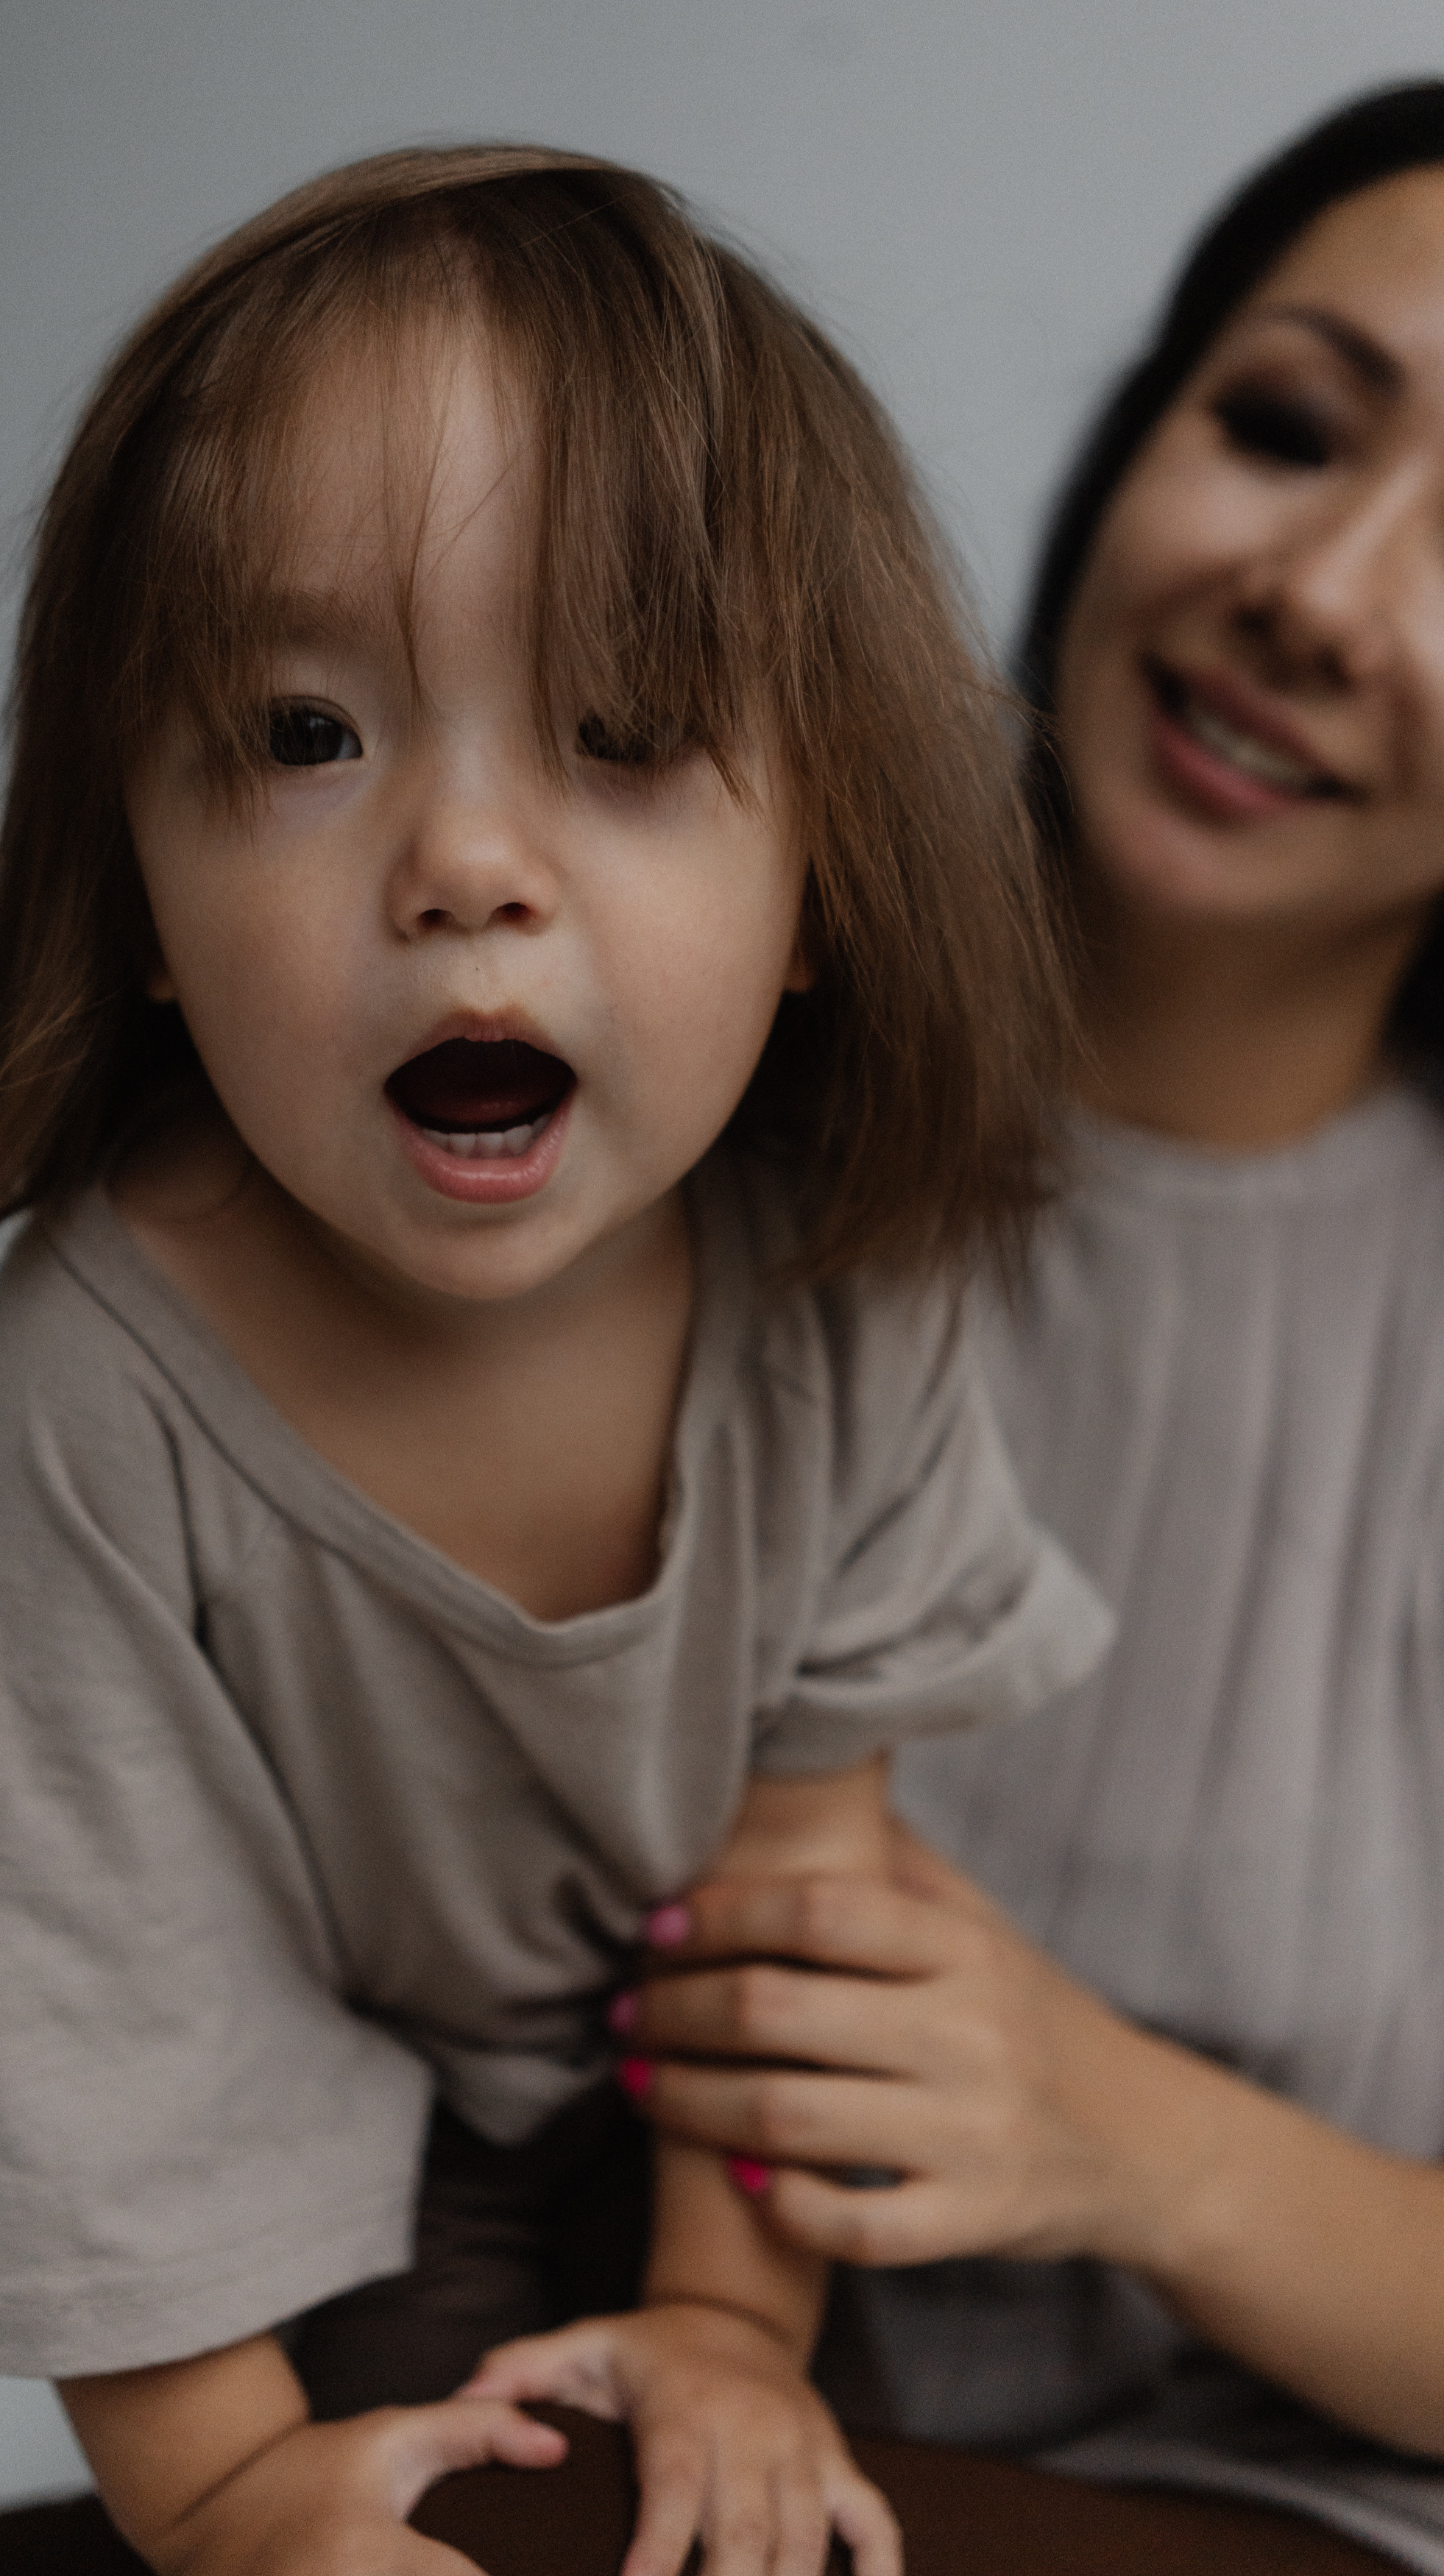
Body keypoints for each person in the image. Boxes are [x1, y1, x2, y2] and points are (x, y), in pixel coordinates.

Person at [0, 145, 1111, 2576]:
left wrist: (721, 2322)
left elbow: (794, 1904)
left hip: (714, 2123)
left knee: (819, 2482)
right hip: (322, 2151)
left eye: (622, 725)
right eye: (308, 731)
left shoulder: (848, 1278)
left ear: (819, 882)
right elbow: (97, 2010)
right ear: (143, 891)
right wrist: (225, 2495)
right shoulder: (110, 1373)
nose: (465, 864)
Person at [611, 79, 1444, 2576]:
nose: (1326, 595)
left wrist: (1124, 2133)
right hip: (616, 2405)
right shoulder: (644, 1057)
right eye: (1285, 425)